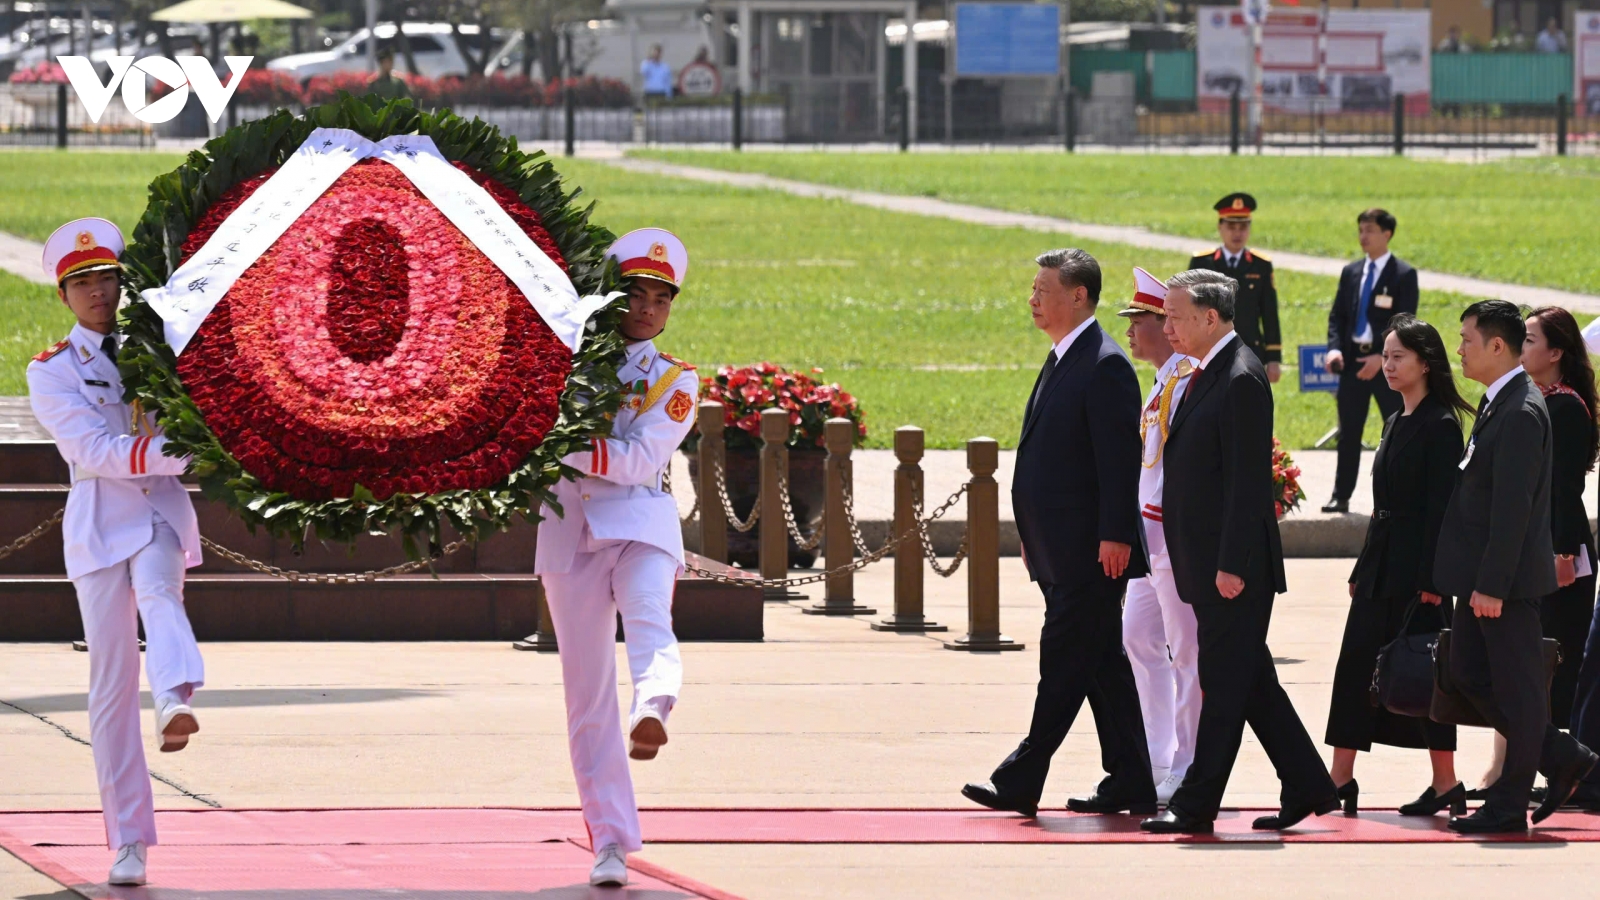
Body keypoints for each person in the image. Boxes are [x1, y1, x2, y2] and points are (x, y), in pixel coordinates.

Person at [27, 218, 205, 887]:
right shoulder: (49, 371)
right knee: (107, 689)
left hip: (157, 510)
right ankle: (129, 838)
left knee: (160, 592)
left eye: (106, 278)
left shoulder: (156, 351)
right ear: (63, 296)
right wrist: (182, 452)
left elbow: (191, 407)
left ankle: (176, 698)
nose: (99, 292)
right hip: (101, 522)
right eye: (83, 283)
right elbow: (92, 453)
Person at [1141, 269, 1338, 835]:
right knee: (1252, 682)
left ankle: (1196, 804)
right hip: (1205, 562)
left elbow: (1247, 486)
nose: (1166, 325)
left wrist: (1230, 564)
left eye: (1175, 316)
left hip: (1232, 568)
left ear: (1210, 317)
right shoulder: (1206, 370)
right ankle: (1308, 783)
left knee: (1224, 688)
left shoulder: (1242, 377)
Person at [961, 248, 1156, 819]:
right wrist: (1033, 532)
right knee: (1101, 666)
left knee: (1064, 661)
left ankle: (1023, 776)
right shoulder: (1063, 357)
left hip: (1095, 555)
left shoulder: (1105, 363)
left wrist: (1116, 534)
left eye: (1043, 289)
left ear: (1078, 296)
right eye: (1033, 288)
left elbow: (1118, 462)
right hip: (1060, 549)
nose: (1033, 298)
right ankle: (1133, 779)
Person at [534, 228, 698, 886]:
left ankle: (656, 703)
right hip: (569, 537)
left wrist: (557, 444)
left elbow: (636, 461)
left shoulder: (673, 380)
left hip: (638, 527)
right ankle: (609, 839)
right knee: (587, 696)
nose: (648, 308)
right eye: (635, 293)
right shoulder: (560, 363)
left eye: (662, 298)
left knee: (650, 615)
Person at [1434, 300, 1598, 834]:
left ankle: (1509, 802)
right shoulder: (1498, 402)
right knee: (1468, 674)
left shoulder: (1523, 411)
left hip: (1503, 584)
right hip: (1484, 580)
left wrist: (1492, 585)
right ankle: (1561, 755)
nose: (1458, 348)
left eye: (1466, 339)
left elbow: (1514, 509)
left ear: (1495, 346)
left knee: (1518, 690)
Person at [1325, 315, 1472, 818]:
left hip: (1419, 576)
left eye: (1397, 357)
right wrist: (1362, 567)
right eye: (1385, 357)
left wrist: (1434, 582)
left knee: (1428, 678)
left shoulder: (1442, 426)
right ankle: (1340, 776)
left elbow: (1442, 512)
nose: (1388, 366)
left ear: (1425, 363)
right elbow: (1381, 505)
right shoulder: (1394, 420)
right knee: (1356, 669)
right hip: (1381, 567)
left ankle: (1446, 782)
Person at [1117, 266, 1200, 806]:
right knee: (1138, 638)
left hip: (1175, 540)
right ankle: (1157, 753)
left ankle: (1189, 764)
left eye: (1138, 321)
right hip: (1149, 540)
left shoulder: (1188, 377)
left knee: (1187, 653)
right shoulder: (1161, 379)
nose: (1130, 332)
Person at [1321, 209, 1419, 514]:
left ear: (1387, 234)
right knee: (1348, 432)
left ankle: (1399, 496)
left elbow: (1405, 322)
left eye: (1370, 230)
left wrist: (1383, 357)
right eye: (1361, 230)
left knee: (1396, 432)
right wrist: (1334, 349)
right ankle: (1341, 495)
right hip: (1352, 363)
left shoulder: (1403, 274)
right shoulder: (1351, 272)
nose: (1364, 236)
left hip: (1387, 367)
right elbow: (1338, 315)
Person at [1188, 193, 1282, 383]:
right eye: (1231, 227)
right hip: (1209, 349)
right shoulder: (1202, 262)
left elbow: (1269, 312)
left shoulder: (1260, 265)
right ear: (1219, 227)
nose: (1237, 233)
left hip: (1250, 350)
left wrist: (1273, 358)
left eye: (1243, 227)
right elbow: (1189, 309)